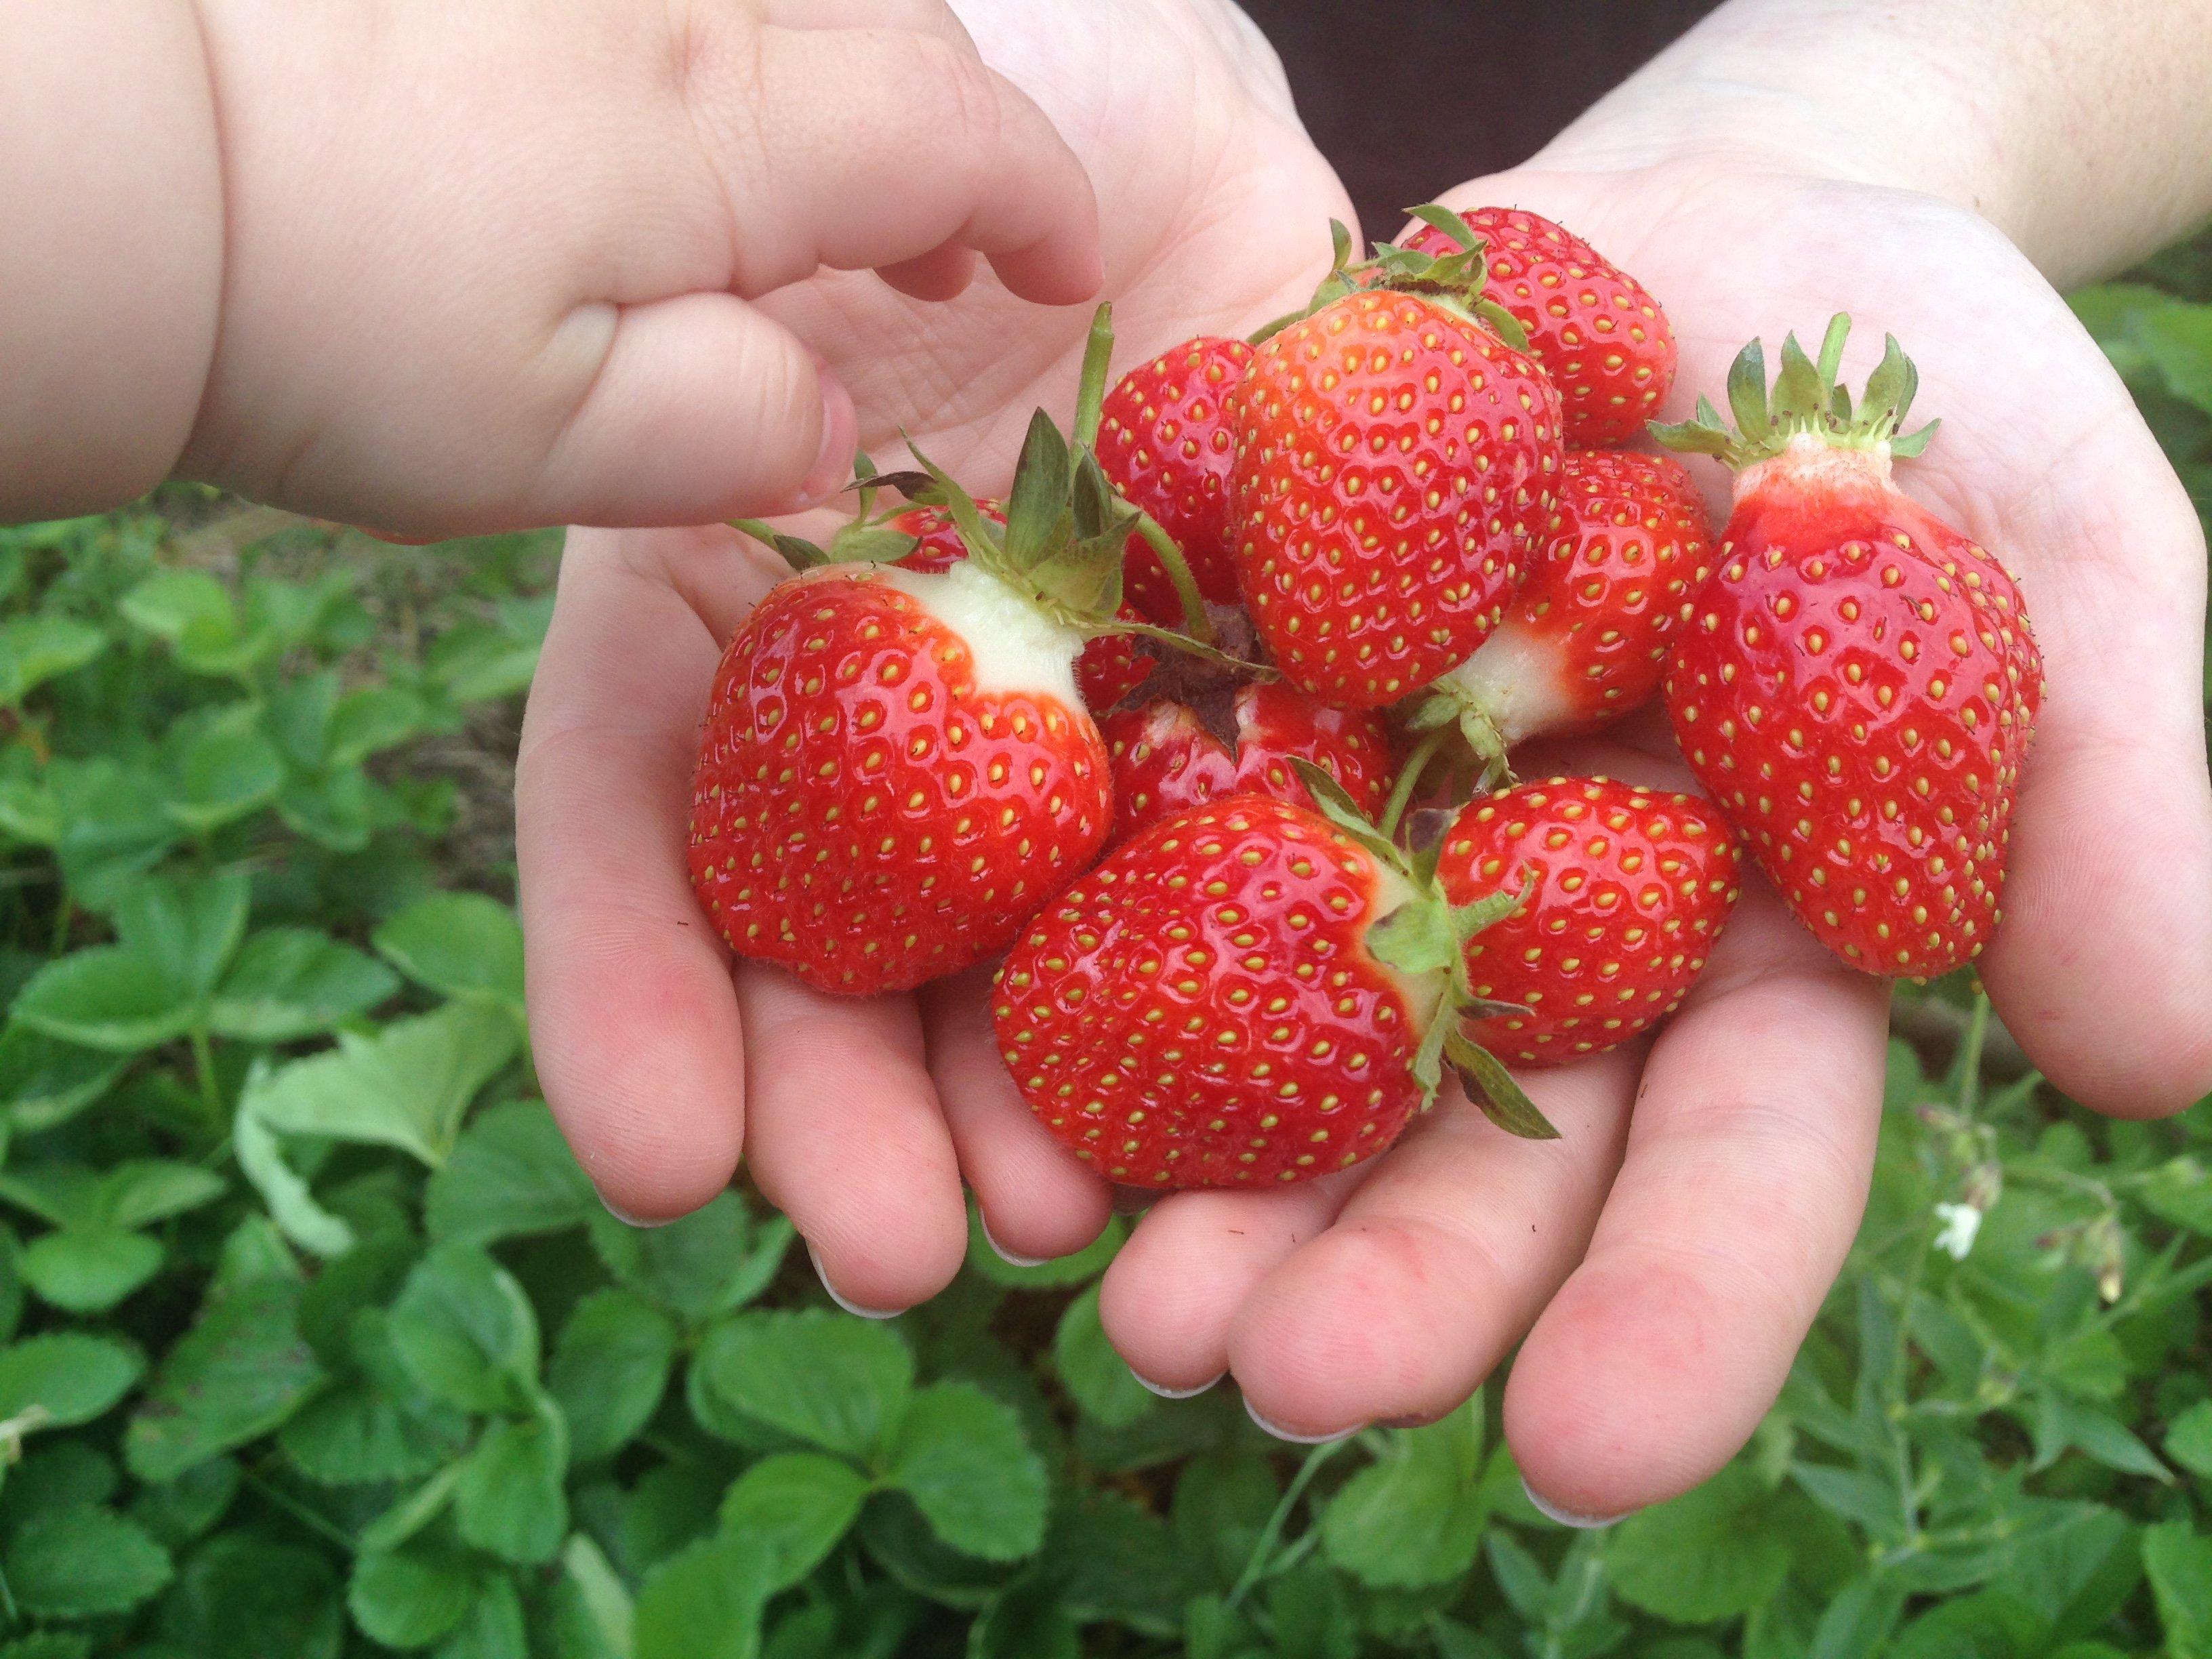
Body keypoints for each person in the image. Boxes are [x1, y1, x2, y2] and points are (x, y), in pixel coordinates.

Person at [8, 0, 2208, 1530]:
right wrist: (214, 136)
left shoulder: (1501, 499)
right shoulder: (1174, 525)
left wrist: (1884, 106)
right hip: (1103, 156)